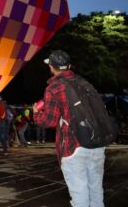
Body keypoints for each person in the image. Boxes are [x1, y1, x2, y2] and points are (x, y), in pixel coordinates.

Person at [33, 50, 106, 207]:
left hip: (74, 147)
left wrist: (35, 114)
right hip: (97, 143)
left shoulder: (54, 87)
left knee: (80, 196)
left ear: (51, 67)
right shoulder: (85, 83)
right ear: (69, 66)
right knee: (96, 193)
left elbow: (50, 121)